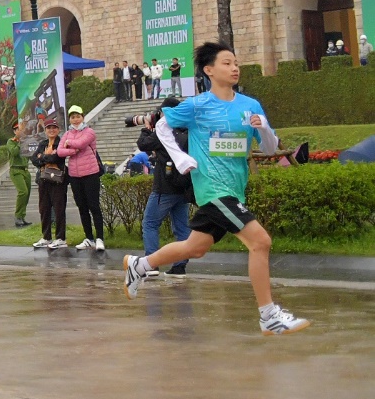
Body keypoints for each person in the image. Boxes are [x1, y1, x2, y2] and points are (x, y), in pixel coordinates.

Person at [123, 41, 309, 334]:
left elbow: (271, 147)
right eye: (226, 63)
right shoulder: (197, 105)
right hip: (212, 188)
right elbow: (161, 126)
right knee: (260, 242)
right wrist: (181, 157)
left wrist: (262, 129)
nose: (234, 67)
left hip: (235, 189)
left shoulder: (250, 105)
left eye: (235, 62)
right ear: (209, 70)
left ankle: (140, 265)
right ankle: (268, 316)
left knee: (195, 248)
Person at [136, 98, 192, 275]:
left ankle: (151, 264)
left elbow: (143, 144)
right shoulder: (188, 132)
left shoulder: (164, 132)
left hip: (164, 188)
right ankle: (180, 265)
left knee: (150, 224)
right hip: (183, 188)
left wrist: (146, 128)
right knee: (182, 228)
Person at [57, 106, 104, 250]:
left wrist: (70, 144)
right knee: (82, 207)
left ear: (83, 117)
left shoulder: (89, 131)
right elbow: (59, 151)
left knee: (94, 206)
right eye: (72, 117)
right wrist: (73, 149)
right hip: (74, 175)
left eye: (78, 116)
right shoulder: (67, 133)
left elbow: (82, 143)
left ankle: (100, 238)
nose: (75, 120)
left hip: (90, 173)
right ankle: (89, 238)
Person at [31, 119, 68, 249]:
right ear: (45, 130)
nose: (51, 130)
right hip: (43, 179)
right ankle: (46, 237)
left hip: (57, 180)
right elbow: (34, 159)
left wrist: (43, 157)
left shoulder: (61, 143)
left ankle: (61, 238)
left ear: (58, 129)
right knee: (44, 209)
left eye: (54, 127)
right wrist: (44, 158)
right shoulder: (43, 143)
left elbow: (57, 158)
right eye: (48, 128)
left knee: (59, 209)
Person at [0, 121, 31, 228]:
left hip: (25, 170)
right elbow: (14, 153)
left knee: (27, 194)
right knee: (23, 192)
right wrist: (21, 142)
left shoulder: (26, 141)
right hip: (16, 170)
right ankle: (17, 216)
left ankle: (22, 216)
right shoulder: (11, 142)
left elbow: (30, 154)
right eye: (18, 129)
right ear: (15, 131)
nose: (21, 131)